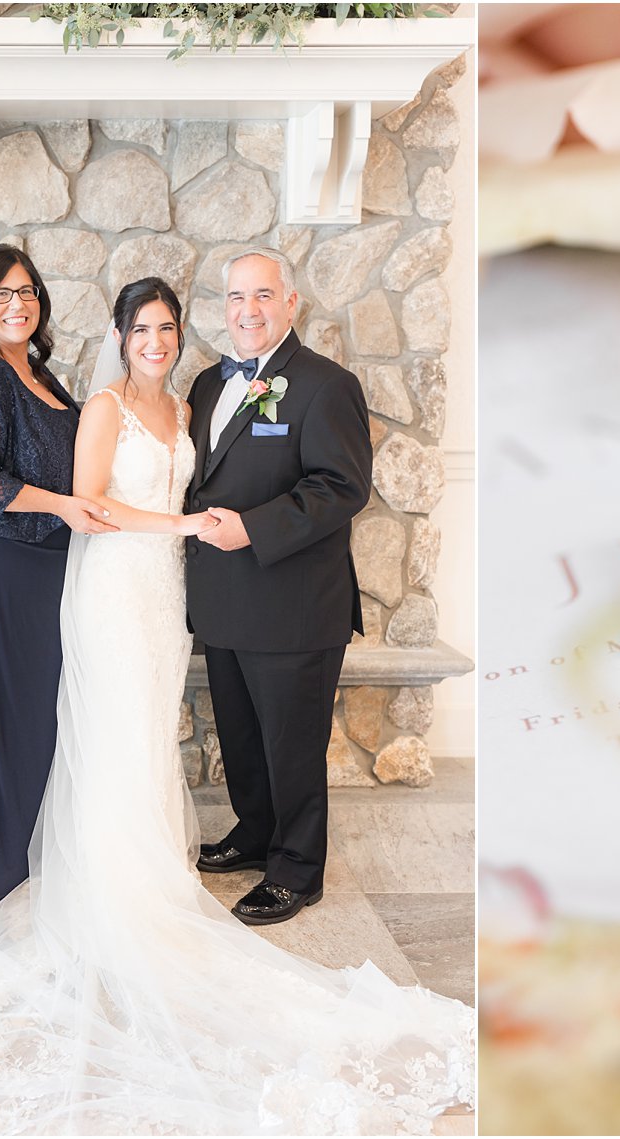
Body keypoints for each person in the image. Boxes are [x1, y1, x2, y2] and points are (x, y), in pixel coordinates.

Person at [0, 277, 474, 1135]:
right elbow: (93, 506)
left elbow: (311, 485)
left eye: (167, 326)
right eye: (142, 327)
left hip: (178, 597)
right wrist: (184, 530)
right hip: (116, 590)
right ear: (119, 334)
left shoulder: (205, 401)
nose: (157, 339)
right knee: (116, 731)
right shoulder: (105, 405)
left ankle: (257, 858)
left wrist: (200, 536)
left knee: (147, 734)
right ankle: (122, 879)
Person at [187, 248, 373, 925]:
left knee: (291, 745)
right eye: (237, 297)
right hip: (225, 603)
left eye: (263, 295)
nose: (249, 310)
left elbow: (343, 487)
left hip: (294, 605)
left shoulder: (326, 385)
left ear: (290, 302)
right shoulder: (208, 384)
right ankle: (255, 830)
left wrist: (255, 529)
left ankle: (296, 868)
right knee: (242, 738)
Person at [0, 244, 115, 909]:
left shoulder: (38, 370)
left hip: (36, 565)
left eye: (28, 291)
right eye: (1, 294)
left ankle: (23, 855)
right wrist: (64, 505)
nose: (17, 304)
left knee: (32, 718)